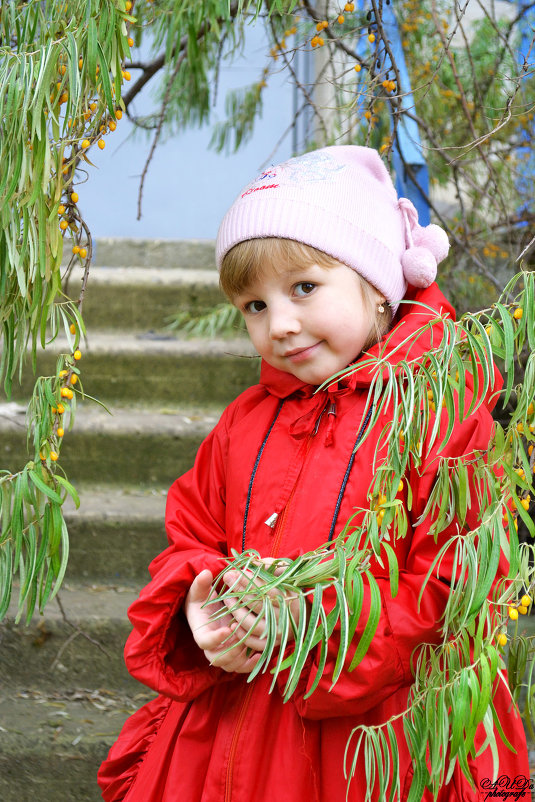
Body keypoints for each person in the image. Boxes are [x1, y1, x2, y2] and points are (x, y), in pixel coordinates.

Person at [98, 146, 530, 801]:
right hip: (239, 715)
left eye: (303, 288)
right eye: (254, 306)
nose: (281, 324)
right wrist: (203, 602)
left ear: (378, 287)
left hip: (376, 731)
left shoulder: (439, 415)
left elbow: (456, 579)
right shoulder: (244, 423)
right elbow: (192, 529)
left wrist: (313, 633)